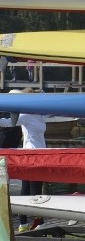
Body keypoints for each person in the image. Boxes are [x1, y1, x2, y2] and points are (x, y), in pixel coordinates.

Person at [0, 88, 47, 231]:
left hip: (41, 154)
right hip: (31, 154)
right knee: (34, 189)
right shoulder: (26, 114)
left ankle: (24, 223)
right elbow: (7, 122)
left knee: (27, 188)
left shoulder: (40, 113)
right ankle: (38, 223)